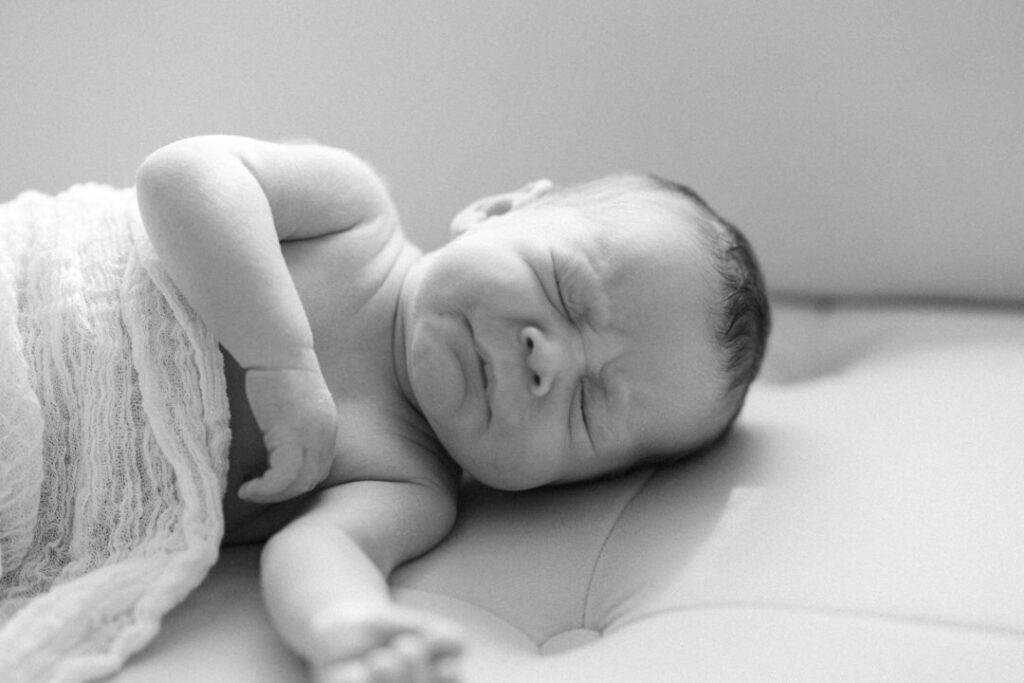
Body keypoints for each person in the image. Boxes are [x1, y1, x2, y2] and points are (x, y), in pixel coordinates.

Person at [2, 134, 769, 683]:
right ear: (496, 209)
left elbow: (320, 555)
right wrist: (281, 360)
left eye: (590, 408)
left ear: (566, 485)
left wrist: (344, 627)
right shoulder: (352, 216)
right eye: (565, 289)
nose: (550, 358)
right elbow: (182, 175)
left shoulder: (408, 485)